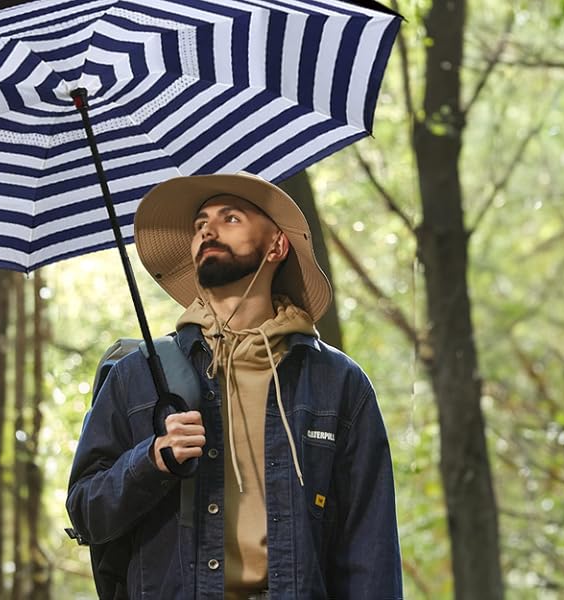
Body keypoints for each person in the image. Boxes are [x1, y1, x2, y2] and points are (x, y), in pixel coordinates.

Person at [66, 173, 402, 599]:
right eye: (200, 223)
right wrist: (152, 460)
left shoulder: (338, 382)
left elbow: (370, 548)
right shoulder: (139, 375)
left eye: (230, 218)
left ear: (277, 245)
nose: (207, 229)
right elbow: (86, 513)